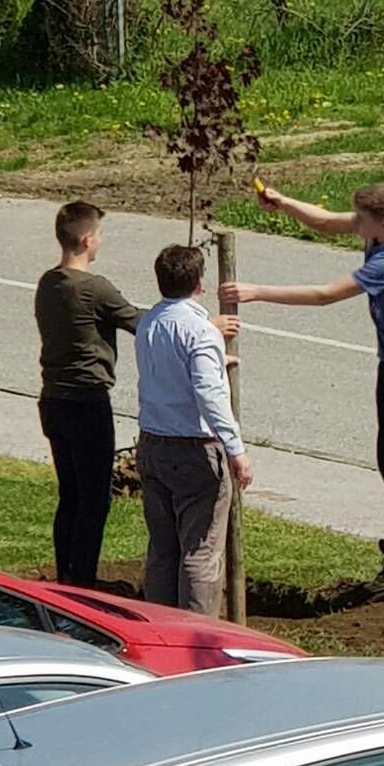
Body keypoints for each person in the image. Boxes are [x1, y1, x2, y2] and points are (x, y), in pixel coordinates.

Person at [221, 181, 384, 608]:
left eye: (361, 220)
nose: (355, 226)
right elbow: (327, 222)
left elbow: (325, 295)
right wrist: (284, 202)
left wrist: (256, 292)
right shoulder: (381, 230)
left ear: (383, 222)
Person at [136, 245, 251, 616]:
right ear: (200, 283)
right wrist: (235, 449)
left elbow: (171, 369)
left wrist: (215, 359)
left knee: (162, 548)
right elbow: (209, 394)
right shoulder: (200, 331)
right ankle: (197, 631)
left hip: (153, 445)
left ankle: (158, 622)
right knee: (200, 551)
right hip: (194, 450)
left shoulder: (149, 323)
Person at [35, 202, 141, 588]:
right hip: (87, 403)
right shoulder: (94, 288)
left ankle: (67, 574)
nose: (100, 241)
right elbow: (142, 323)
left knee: (71, 493)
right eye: (98, 235)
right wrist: (201, 324)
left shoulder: (49, 282)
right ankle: (82, 581)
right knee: (95, 498)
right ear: (85, 240)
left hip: (53, 400)